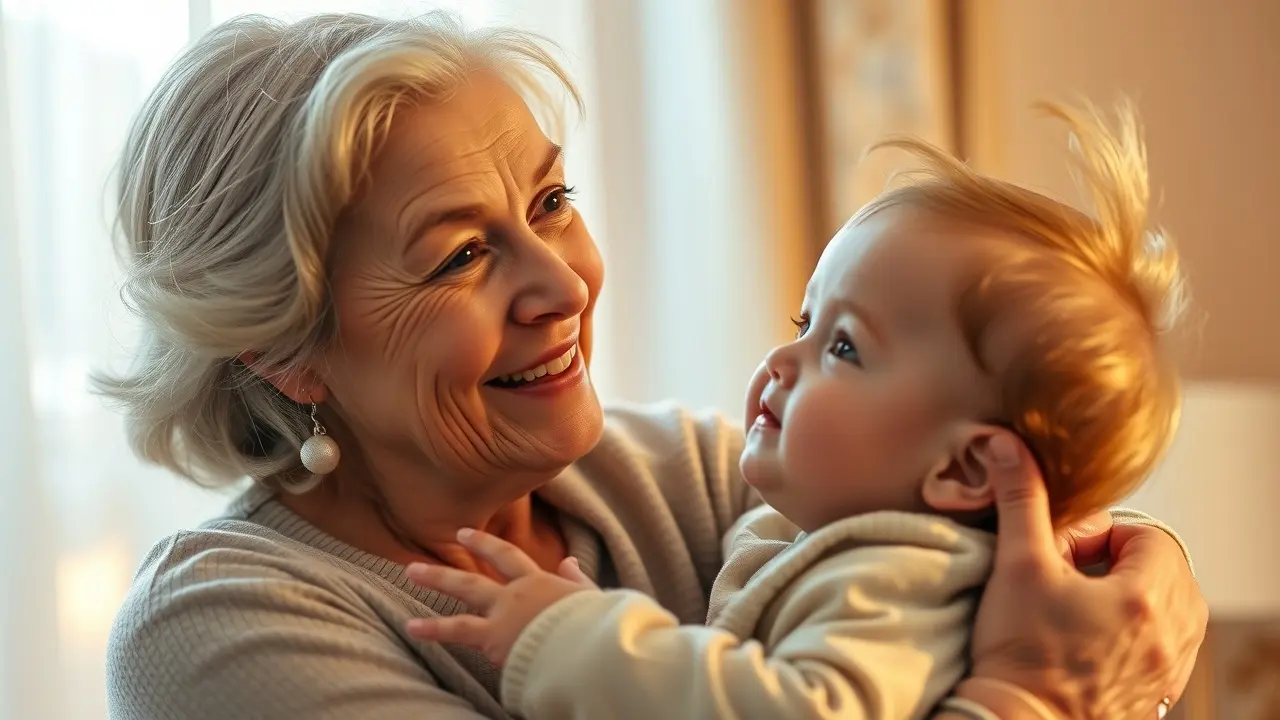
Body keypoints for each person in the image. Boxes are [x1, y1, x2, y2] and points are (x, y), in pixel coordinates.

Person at [98, 12, 1205, 720]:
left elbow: (976, 532)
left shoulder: (691, 476)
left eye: (550, 202)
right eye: (462, 255)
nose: (565, 283)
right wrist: (1029, 698)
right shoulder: (218, 629)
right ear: (288, 353)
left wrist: (1128, 556)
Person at [401, 101, 1192, 720]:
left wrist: (576, 638)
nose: (782, 362)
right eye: (802, 325)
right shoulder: (827, 527)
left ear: (963, 468)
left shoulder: (895, 580)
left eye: (843, 348)